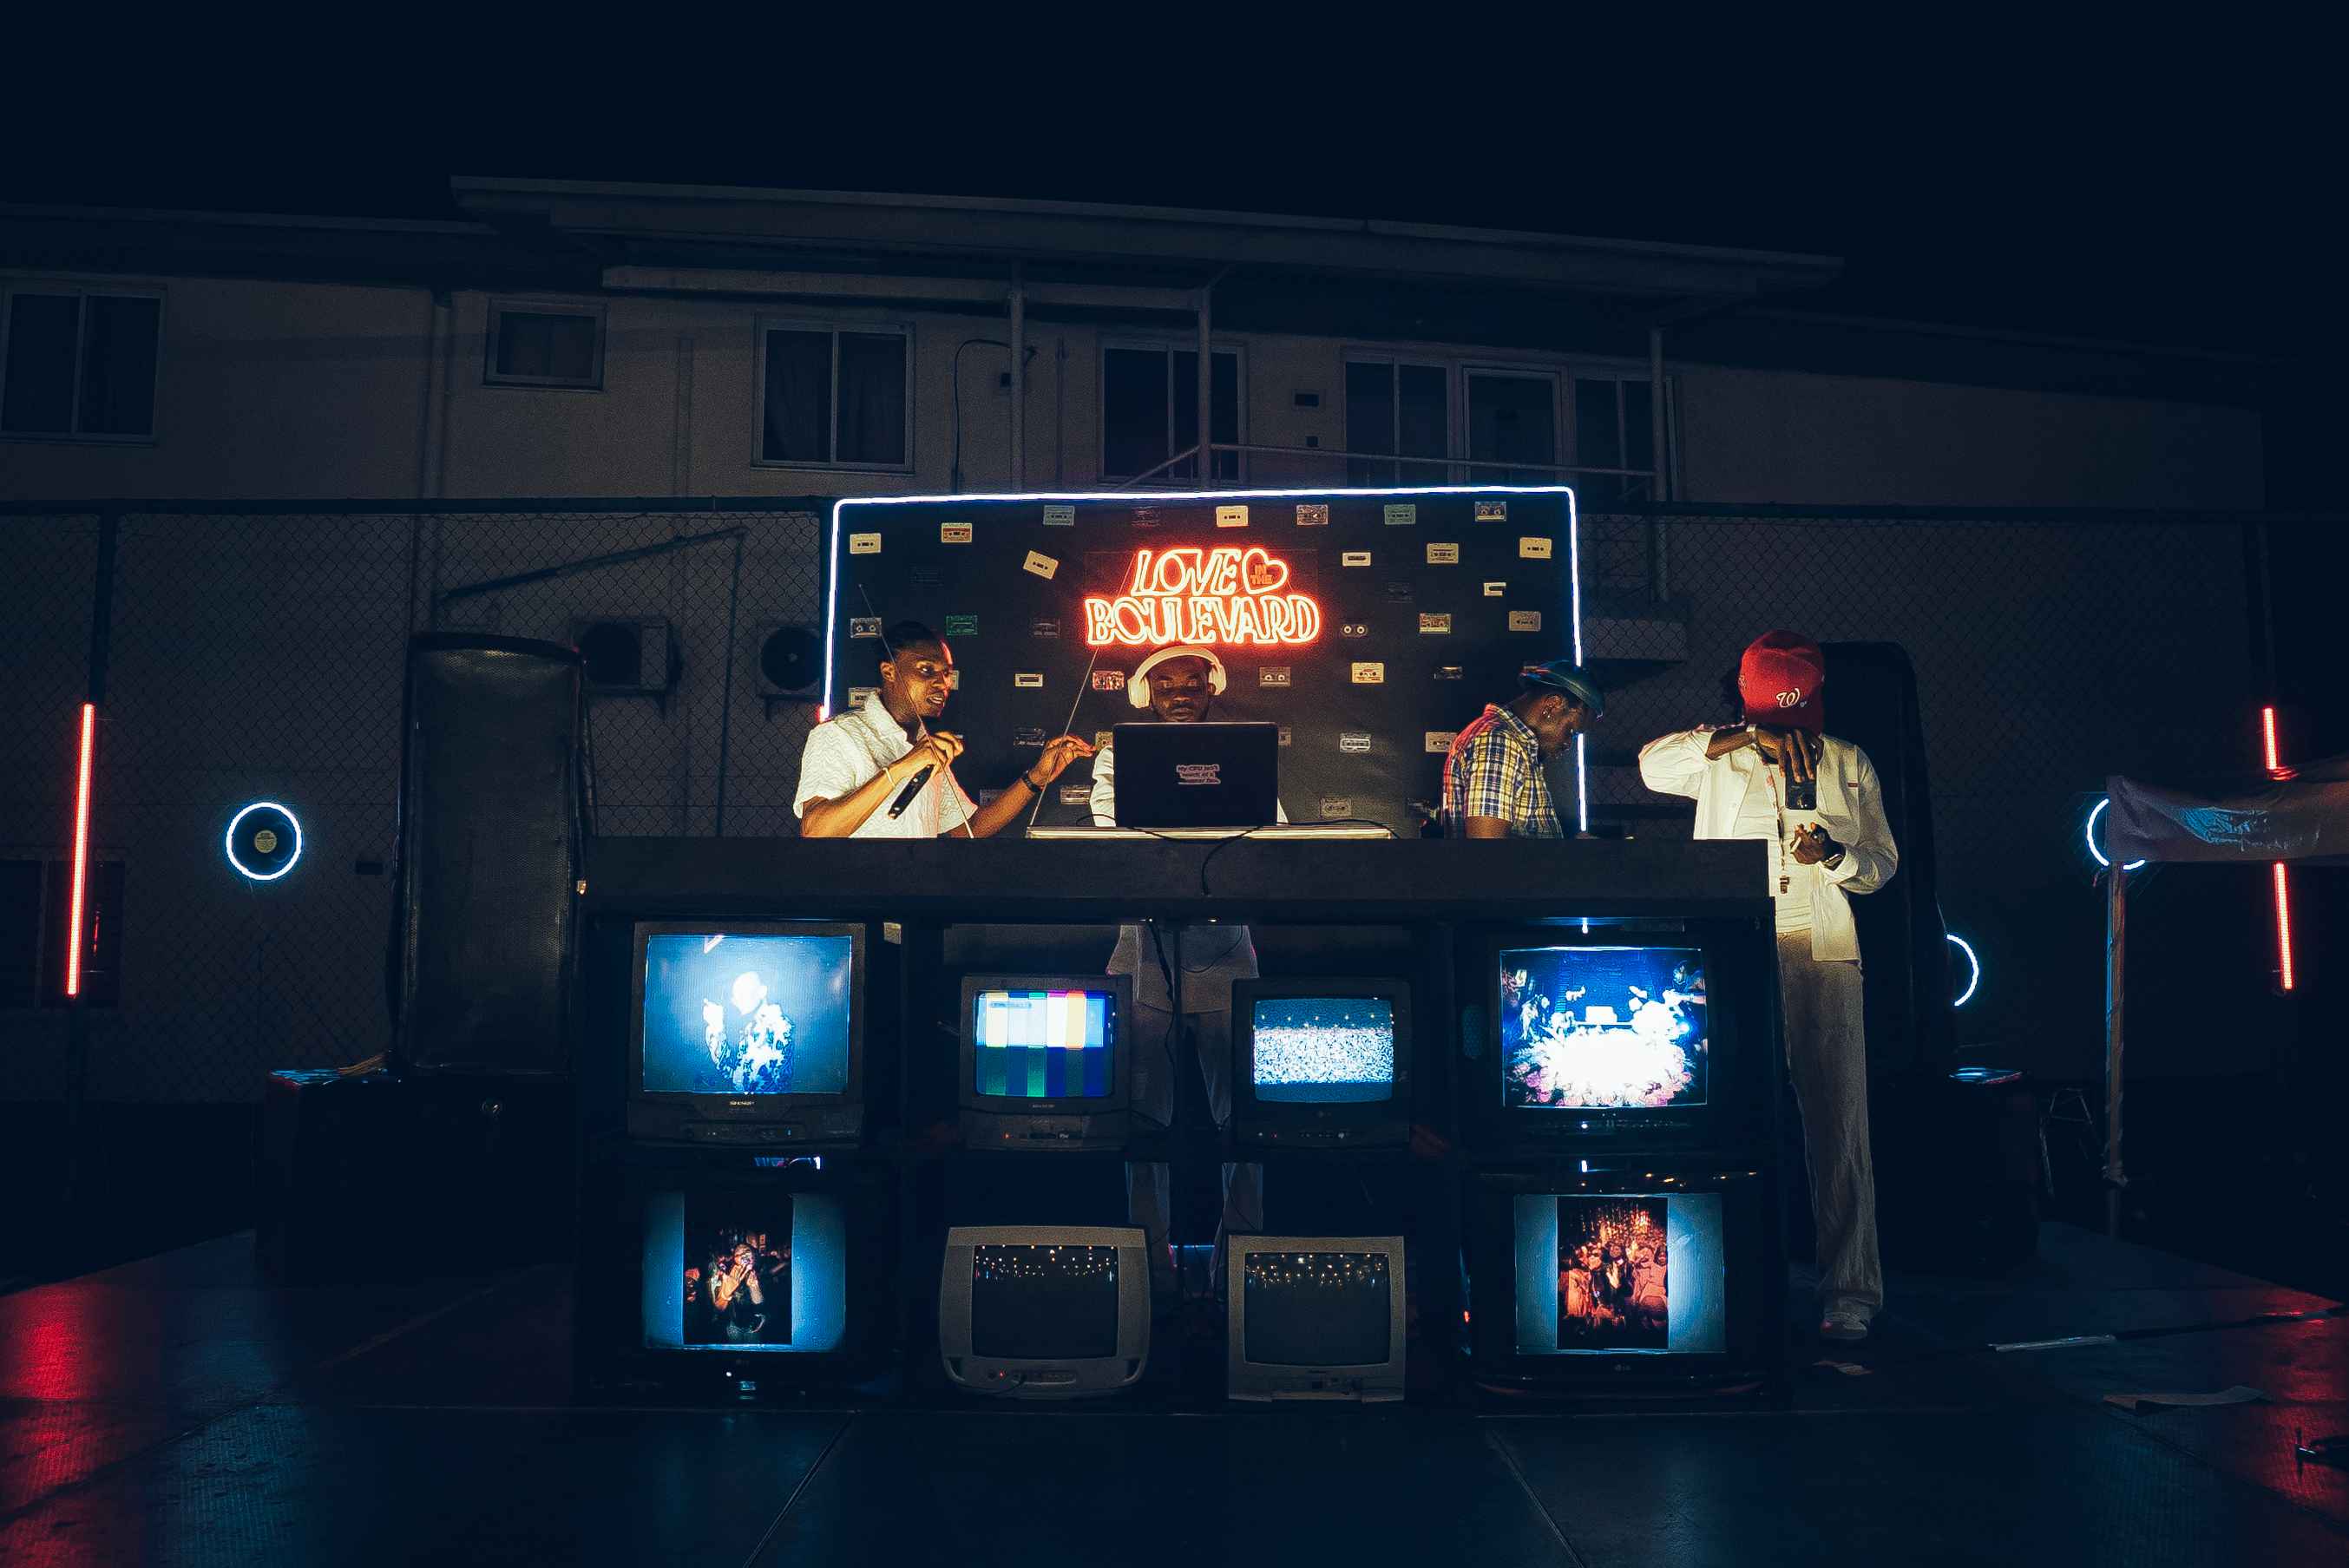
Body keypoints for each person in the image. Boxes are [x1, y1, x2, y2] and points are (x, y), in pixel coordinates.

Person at [1637, 630, 1899, 1344]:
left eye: (1797, 718)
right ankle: (1729, 1287)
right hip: (1736, 950)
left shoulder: (1847, 761)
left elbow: (1880, 864)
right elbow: (1651, 766)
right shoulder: (1719, 757)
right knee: (1728, 1117)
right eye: (1772, 719)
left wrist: (1835, 855)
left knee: (1839, 1127)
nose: (1789, 735)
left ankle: (1849, 1294)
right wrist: (1737, 737)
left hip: (1822, 950)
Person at [1089, 644, 1273, 1306]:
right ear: (1146, 692)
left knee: (1245, 1123)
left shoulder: (1244, 752)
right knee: (1142, 1124)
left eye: (1190, 682)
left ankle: (1239, 1267)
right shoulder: (1118, 752)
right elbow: (1108, 830)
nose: (1178, 692)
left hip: (1226, 955)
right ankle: (1149, 1273)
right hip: (1143, 956)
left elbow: (1271, 836)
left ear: (1210, 687)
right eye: (1163, 683)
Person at [796, 621, 1092, 839]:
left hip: (916, 908)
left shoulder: (926, 746)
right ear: (889, 672)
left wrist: (1037, 777)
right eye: (926, 670)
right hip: (859, 915)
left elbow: (968, 829)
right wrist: (902, 768)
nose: (943, 683)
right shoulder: (839, 735)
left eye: (947, 674)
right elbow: (816, 830)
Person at [1440, 659, 1605, 838]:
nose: (1568, 744)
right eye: (1571, 731)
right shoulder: (1498, 743)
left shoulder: (1511, 743)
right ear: (1552, 705)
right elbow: (1485, 853)